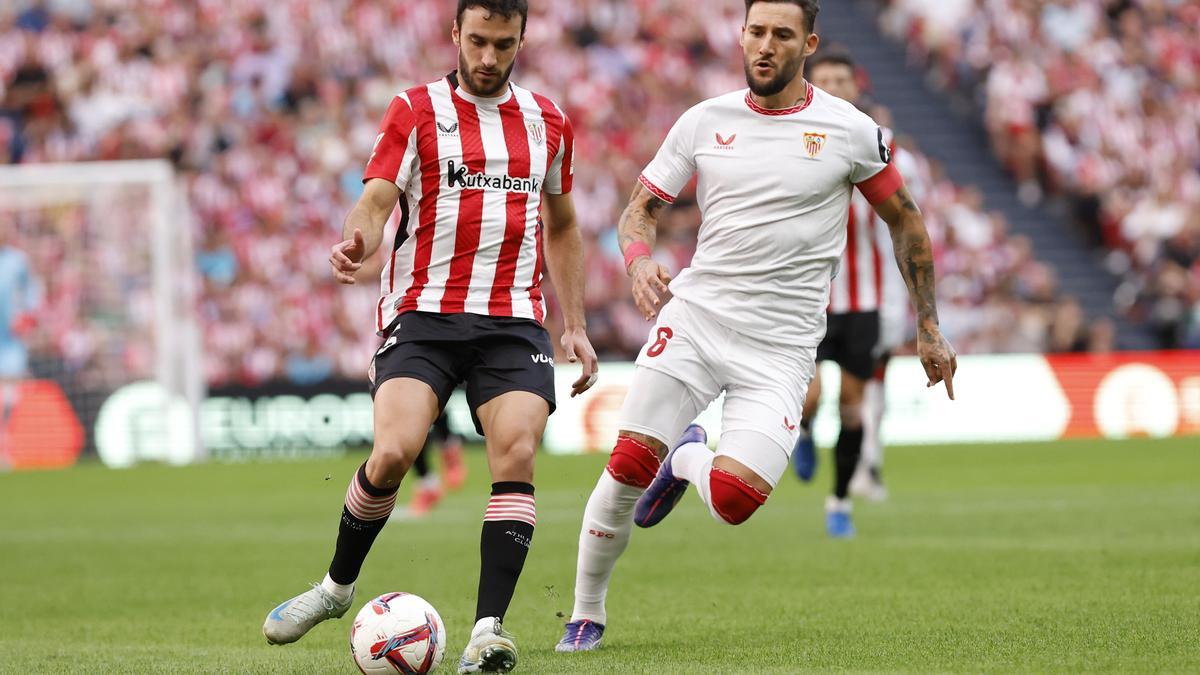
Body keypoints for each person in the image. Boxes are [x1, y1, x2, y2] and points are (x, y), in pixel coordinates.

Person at [556, 0, 955, 653]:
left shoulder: (850, 131)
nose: (766, 46)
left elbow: (906, 219)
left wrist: (929, 324)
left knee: (736, 499)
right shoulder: (703, 121)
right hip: (698, 319)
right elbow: (639, 211)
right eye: (757, 32)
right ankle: (585, 613)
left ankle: (684, 453)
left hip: (783, 348)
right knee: (627, 463)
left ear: (809, 43)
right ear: (741, 35)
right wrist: (638, 263)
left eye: (782, 35)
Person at [261, 2, 599, 673]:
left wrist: (577, 323)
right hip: (423, 314)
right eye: (476, 41)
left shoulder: (547, 122)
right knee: (392, 452)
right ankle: (336, 588)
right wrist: (360, 238)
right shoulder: (414, 109)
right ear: (454, 35)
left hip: (512, 319)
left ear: (521, 40)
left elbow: (562, 226)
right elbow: (378, 197)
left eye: (502, 44)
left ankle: (487, 629)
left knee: (518, 449)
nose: (486, 57)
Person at [790, 51, 911, 536]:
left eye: (843, 78)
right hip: (812, 298)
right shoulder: (797, 141)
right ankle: (801, 429)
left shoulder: (882, 144)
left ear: (856, 86)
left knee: (854, 405)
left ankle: (839, 501)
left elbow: (905, 217)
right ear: (811, 85)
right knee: (811, 393)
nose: (835, 87)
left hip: (864, 300)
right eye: (825, 80)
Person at [0, 223, 41, 470]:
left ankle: (5, 444)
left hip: (10, 339)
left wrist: (27, 314)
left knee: (10, 391)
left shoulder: (17, 261)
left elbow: (32, 291)